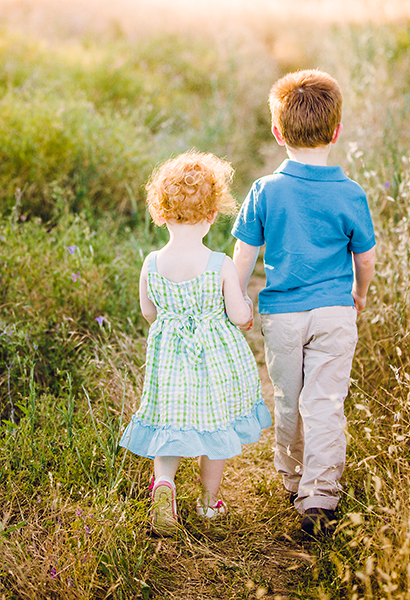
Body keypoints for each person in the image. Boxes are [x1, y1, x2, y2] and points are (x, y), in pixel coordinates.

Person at [231, 69, 377, 537]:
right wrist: (359, 293)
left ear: (278, 133)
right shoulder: (351, 193)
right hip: (335, 312)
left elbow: (244, 254)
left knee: (289, 398)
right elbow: (365, 257)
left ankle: (293, 480)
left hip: (283, 316)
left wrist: (237, 300)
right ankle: (320, 494)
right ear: (336, 132)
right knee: (326, 401)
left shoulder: (265, 190)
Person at [119, 151, 272, 536]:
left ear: (162, 213)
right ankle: (208, 502)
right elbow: (237, 314)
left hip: (170, 360)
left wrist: (172, 322)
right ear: (212, 214)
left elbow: (149, 312)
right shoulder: (218, 263)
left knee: (168, 421)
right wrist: (246, 312)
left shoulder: (152, 263)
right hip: (214, 364)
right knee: (216, 428)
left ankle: (164, 484)